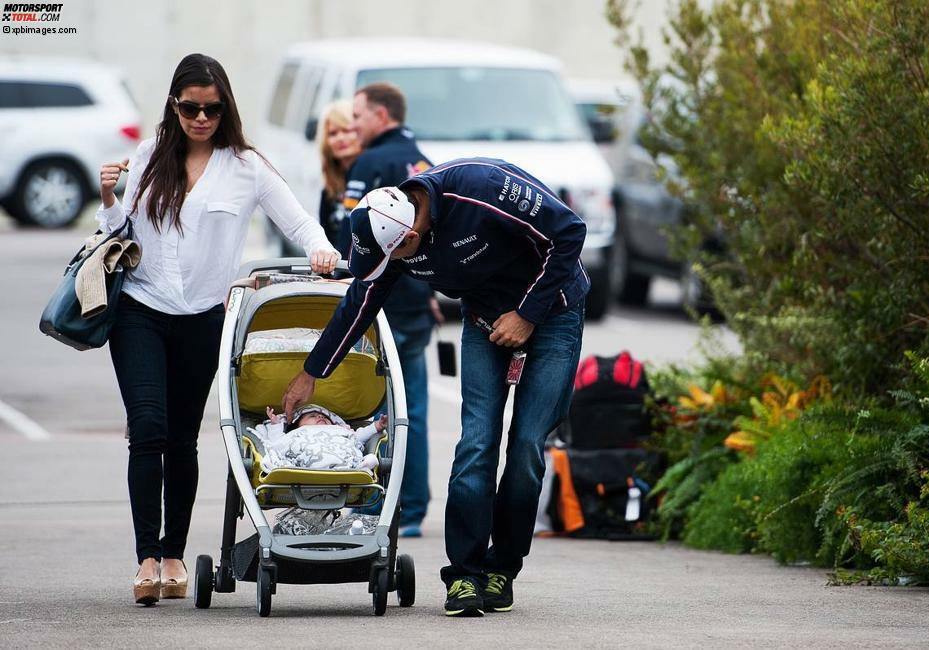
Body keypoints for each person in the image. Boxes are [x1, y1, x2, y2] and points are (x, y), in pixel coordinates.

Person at [282, 158, 589, 617]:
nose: (388, 269)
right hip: (485, 323)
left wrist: (528, 314)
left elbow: (570, 232)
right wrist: (312, 371)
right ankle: (465, 575)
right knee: (477, 443)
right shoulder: (390, 232)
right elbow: (362, 300)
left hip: (552, 314)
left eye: (393, 260)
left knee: (525, 446)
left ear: (411, 237)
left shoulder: (482, 188)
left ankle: (502, 569)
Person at [97, 53, 339, 607]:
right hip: (140, 309)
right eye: (189, 108)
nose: (200, 118)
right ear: (174, 106)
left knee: (182, 437)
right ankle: (146, 560)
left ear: (225, 106)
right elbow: (115, 233)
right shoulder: (150, 155)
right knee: (148, 429)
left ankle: (175, 555)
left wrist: (321, 250)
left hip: (204, 317)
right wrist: (110, 196)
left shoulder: (247, 165)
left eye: (211, 108)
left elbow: (299, 221)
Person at [341, 82, 442, 537]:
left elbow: (351, 237)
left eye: (359, 117)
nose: (354, 125)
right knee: (414, 410)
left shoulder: (370, 163)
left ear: (382, 116)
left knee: (377, 413)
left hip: (382, 307)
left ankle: (385, 504)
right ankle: (416, 508)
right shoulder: (423, 163)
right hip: (419, 304)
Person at [251, 405, 386, 472]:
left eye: (324, 417)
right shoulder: (296, 433)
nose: (320, 417)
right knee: (277, 454)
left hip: (339, 452)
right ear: (298, 425)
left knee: (354, 445)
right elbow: (278, 443)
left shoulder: (339, 430)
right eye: (312, 416)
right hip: (303, 460)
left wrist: (376, 426)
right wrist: (276, 425)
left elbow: (358, 437)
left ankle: (356, 466)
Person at [315, 99, 361, 254]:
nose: (340, 138)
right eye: (333, 133)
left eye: (346, 130)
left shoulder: (373, 177)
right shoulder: (329, 190)